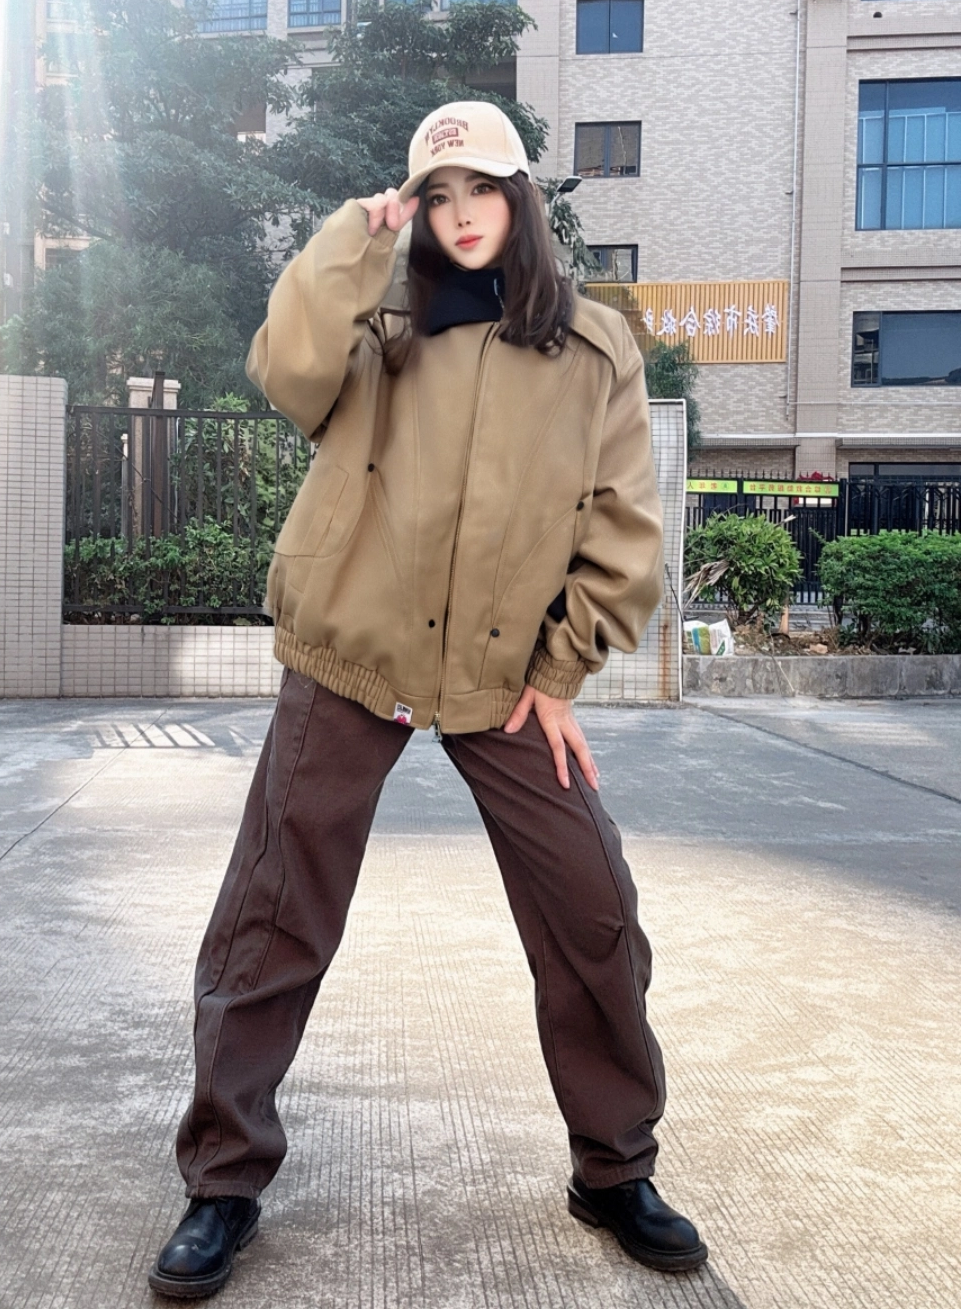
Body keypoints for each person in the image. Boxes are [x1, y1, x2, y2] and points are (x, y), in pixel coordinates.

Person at [149, 101, 707, 1299]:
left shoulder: (596, 349)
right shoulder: (378, 319)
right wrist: (351, 245)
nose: (461, 216)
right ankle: (222, 1180)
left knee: (593, 905)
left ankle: (615, 1168)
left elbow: (622, 526)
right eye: (438, 196)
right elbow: (285, 371)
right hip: (353, 655)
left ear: (522, 201)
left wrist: (560, 672)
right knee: (272, 914)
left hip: (508, 676)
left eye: (483, 191)